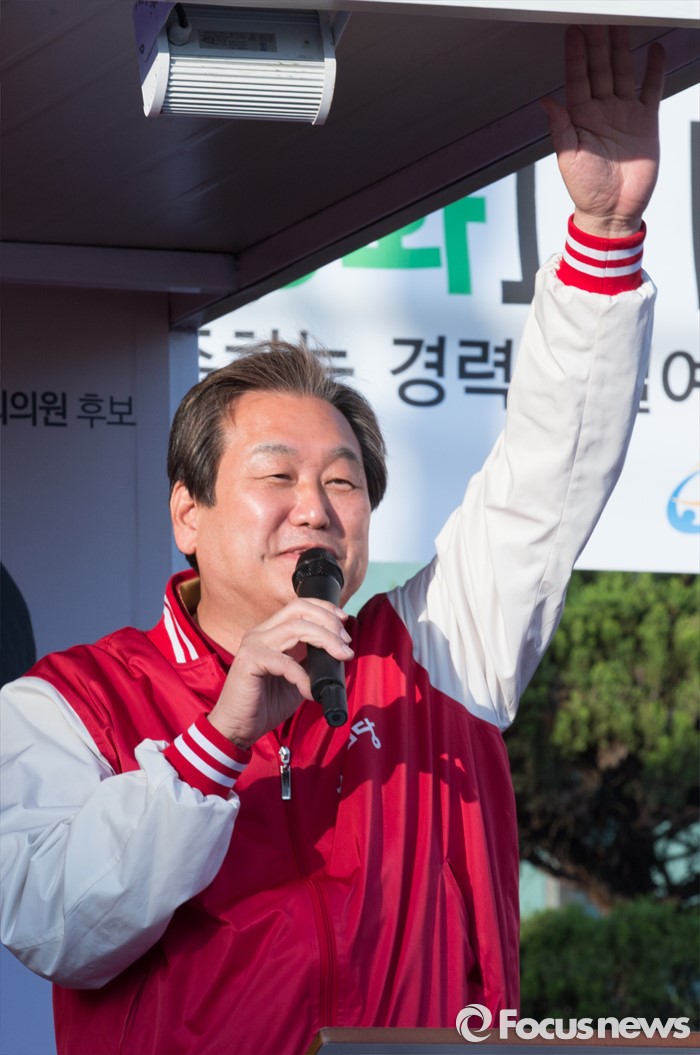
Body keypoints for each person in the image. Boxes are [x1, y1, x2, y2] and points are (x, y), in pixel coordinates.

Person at [0, 25, 664, 1055]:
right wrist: (218, 740)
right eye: (275, 477)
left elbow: (548, 477)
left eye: (342, 481)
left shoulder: (435, 655)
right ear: (188, 513)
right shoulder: (68, 704)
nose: (314, 508)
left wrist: (603, 235)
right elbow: (56, 923)